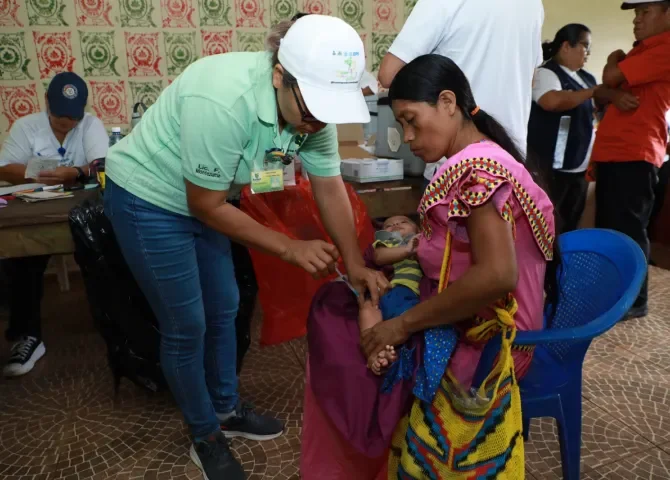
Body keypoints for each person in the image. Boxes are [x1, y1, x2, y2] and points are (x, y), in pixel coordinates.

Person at [102, 14, 388, 480]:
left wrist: (354, 262)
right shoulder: (223, 98)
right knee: (186, 324)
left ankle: (225, 408)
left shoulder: (311, 110)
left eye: (329, 106)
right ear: (280, 75)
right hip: (149, 197)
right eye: (313, 105)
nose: (319, 120)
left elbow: (330, 185)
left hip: (208, 200)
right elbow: (205, 204)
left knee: (227, 305)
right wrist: (290, 248)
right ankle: (205, 435)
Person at [302, 54, 559, 479]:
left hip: (492, 339)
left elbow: (496, 277)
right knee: (350, 304)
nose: (405, 137)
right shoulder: (482, 158)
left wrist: (398, 328)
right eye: (400, 125)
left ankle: (355, 460)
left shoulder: (478, 171)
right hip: (485, 320)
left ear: (447, 102)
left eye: (410, 120)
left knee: (337, 329)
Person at [0, 72, 108, 377]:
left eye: (73, 117)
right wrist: (38, 175)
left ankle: (114, 323)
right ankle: (28, 336)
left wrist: (73, 172)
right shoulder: (27, 127)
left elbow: (100, 165)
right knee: (23, 256)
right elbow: (6, 168)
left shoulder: (90, 125)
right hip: (37, 210)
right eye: (60, 114)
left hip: (78, 211)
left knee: (103, 249)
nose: (66, 122)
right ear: (47, 102)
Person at [378, 0, 544, 186]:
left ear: (448, 101)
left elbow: (389, 75)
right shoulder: (533, 4)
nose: (407, 135)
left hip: (456, 166)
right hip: (510, 158)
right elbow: (531, 80)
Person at [590, 0, 670, 319]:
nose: (637, 20)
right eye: (635, 13)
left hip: (635, 153)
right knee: (612, 226)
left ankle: (633, 300)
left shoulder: (663, 48)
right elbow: (605, 87)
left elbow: (609, 76)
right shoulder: (644, 49)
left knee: (628, 229)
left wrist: (614, 59)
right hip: (618, 152)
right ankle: (616, 296)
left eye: (645, 11)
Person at [528, 24, 600, 232]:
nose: (588, 53)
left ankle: (564, 262)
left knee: (569, 221)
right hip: (552, 167)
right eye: (585, 46)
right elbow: (551, 101)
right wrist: (593, 92)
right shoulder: (546, 73)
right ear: (567, 46)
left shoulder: (587, 78)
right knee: (546, 222)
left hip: (579, 167)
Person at [359, 215, 421, 374]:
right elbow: (379, 257)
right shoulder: (387, 242)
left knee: (410, 319)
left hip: (408, 294)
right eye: (389, 226)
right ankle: (372, 350)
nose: (396, 225)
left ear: (417, 229)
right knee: (368, 309)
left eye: (403, 222)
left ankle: (385, 353)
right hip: (387, 291)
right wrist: (407, 250)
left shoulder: (421, 241)